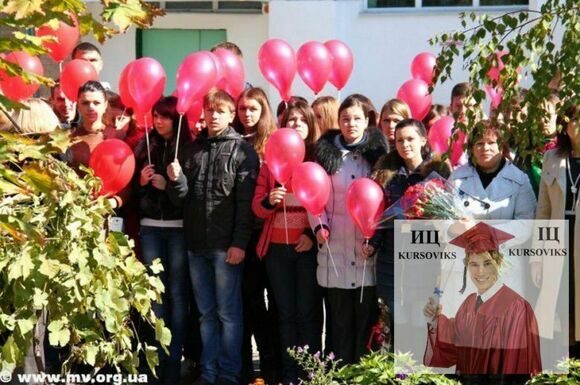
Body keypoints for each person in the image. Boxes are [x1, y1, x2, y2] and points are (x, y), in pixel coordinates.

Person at [167, 90, 259, 385]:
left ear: (231, 115)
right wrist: (176, 179)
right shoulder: (194, 150)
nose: (214, 115)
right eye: (210, 110)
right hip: (196, 245)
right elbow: (180, 199)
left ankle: (229, 373)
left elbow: (246, 206)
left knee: (228, 314)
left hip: (225, 247)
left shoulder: (243, 151)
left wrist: (238, 243)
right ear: (203, 114)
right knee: (206, 314)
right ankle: (208, 372)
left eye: (221, 111)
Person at [310, 94, 387, 365]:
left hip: (367, 252)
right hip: (334, 251)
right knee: (338, 325)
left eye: (357, 118)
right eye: (345, 119)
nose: (350, 124)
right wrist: (319, 226)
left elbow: (384, 201)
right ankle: (337, 376)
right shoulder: (325, 154)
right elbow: (313, 196)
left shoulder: (380, 158)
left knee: (365, 324)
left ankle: (362, 377)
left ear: (367, 120)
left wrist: (375, 239)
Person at [252, 99, 321, 385]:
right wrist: (269, 200)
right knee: (285, 314)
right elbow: (256, 207)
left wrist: (310, 235)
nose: (295, 125)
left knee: (307, 314)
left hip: (305, 249)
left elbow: (321, 206)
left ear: (310, 125)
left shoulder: (317, 161)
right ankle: (289, 374)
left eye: (301, 121)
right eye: (291, 120)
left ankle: (311, 373)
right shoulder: (270, 164)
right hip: (276, 252)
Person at [423, 222, 542, 376]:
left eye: (487, 263)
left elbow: (515, 365)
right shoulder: (469, 303)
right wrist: (435, 319)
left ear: (498, 263)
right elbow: (454, 343)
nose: (480, 272)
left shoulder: (516, 307)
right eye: (473, 264)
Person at [369, 119, 450, 325]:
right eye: (399, 140)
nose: (405, 145)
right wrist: (372, 243)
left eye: (410, 139)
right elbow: (380, 214)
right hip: (391, 259)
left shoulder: (439, 173)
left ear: (423, 139)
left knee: (421, 325)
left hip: (425, 259)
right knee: (397, 325)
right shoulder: (386, 174)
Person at [134, 96, 191, 384]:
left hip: (179, 229)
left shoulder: (188, 147)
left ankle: (174, 361)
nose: (158, 121)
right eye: (155, 115)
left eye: (165, 116)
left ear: (177, 119)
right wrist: (142, 183)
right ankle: (155, 362)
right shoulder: (144, 144)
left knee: (178, 295)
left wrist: (169, 184)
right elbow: (129, 190)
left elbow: (188, 197)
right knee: (155, 297)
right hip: (151, 228)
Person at [450, 120, 536, 296]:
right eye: (479, 143)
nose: (485, 148)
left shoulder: (519, 179)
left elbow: (526, 224)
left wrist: (485, 233)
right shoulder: (457, 178)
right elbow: (444, 220)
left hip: (504, 266)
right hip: (464, 268)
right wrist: (453, 227)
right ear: (472, 148)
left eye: (491, 143)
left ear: (502, 146)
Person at [234, 87, 280, 384]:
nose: (247, 114)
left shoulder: (275, 143)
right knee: (249, 303)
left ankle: (273, 368)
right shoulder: (234, 142)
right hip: (245, 235)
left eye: (253, 108)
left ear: (264, 110)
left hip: (275, 236)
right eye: (242, 109)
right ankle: (247, 370)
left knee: (275, 305)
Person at [534, 104, 580, 356]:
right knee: (561, 309)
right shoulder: (552, 158)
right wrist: (537, 258)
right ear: (565, 124)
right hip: (557, 242)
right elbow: (543, 210)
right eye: (575, 119)